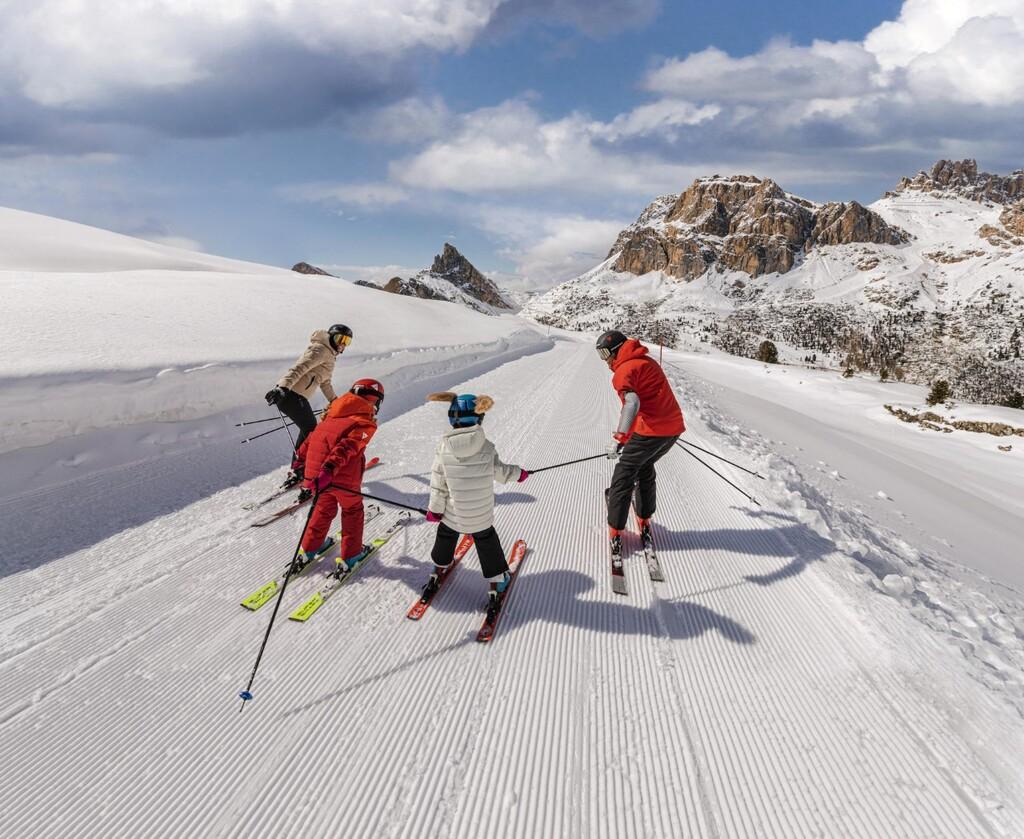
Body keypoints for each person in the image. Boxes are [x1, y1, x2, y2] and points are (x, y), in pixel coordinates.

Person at [423, 392, 528, 618]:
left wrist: (435, 510)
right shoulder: (486, 446)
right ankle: (498, 581)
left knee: (446, 532)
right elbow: (501, 473)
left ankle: (439, 567)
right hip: (480, 517)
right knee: (486, 539)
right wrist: (519, 474)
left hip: (453, 515)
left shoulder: (443, 448)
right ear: (479, 418)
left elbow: (437, 483)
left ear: (452, 418)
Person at [596, 330, 685, 558]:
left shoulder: (623, 371)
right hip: (672, 429)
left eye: (605, 353)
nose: (604, 360)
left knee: (624, 473)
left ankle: (616, 529)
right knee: (644, 466)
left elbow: (632, 403)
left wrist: (620, 438)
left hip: (653, 431)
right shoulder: (645, 361)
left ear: (616, 350)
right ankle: (644, 518)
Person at [295, 378, 383, 571]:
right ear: (374, 400)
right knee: (352, 510)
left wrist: (299, 462)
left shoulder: (331, 415)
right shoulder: (364, 423)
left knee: (323, 508)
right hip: (339, 477)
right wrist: (328, 471)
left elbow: (309, 440)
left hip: (318, 478)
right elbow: (346, 448)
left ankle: (310, 548)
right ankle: (352, 555)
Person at [265, 324, 353, 487]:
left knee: (310, 428)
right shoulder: (321, 349)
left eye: (347, 341)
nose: (343, 344)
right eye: (340, 339)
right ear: (331, 337)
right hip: (289, 394)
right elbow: (300, 367)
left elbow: (325, 382)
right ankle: (299, 469)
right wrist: (282, 387)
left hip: (297, 396)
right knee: (310, 428)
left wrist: (336, 402)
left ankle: (300, 467)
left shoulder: (330, 356)